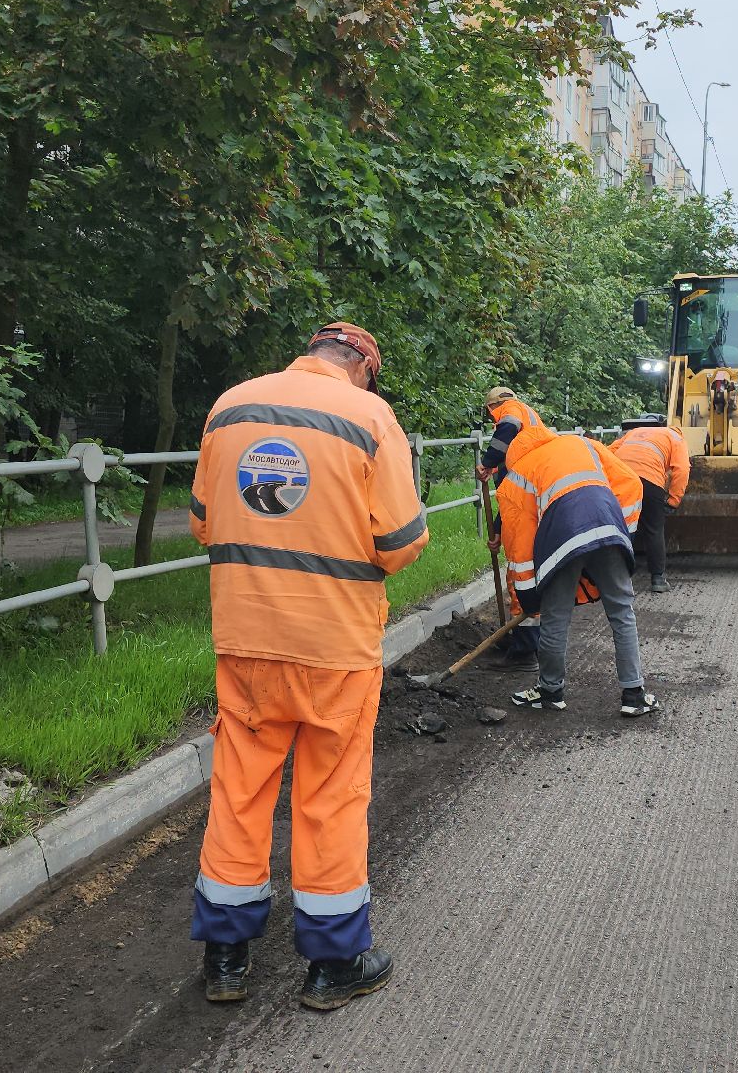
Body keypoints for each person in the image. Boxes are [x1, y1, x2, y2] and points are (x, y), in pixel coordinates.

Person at [187, 321, 428, 1011]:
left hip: (246, 638)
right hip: (333, 647)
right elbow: (400, 544)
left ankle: (226, 958)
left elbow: (203, 522)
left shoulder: (231, 406)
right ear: (363, 369)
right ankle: (333, 964)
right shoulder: (370, 417)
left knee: (239, 789)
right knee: (330, 796)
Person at [495, 423, 659, 717]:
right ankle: (634, 695)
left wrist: (528, 597)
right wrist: (623, 535)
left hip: (560, 536)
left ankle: (550, 691)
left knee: (555, 616)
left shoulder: (514, 479)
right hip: (608, 522)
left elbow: (521, 545)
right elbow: (631, 483)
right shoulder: (584, 444)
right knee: (622, 611)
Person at [475, 386, 548, 671]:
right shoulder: (531, 425)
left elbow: (505, 429)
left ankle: (525, 652)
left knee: (521, 576)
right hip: (524, 503)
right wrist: (497, 531)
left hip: (524, 507)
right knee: (521, 574)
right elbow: (511, 498)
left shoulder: (510, 412)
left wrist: (486, 462)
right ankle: (520, 637)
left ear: (493, 406)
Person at [611, 415, 691, 593]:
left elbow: (608, 452)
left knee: (618, 526)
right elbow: (682, 469)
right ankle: (658, 579)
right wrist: (673, 500)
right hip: (649, 480)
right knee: (653, 529)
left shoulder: (635, 432)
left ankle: (612, 577)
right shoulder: (676, 438)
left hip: (620, 477)